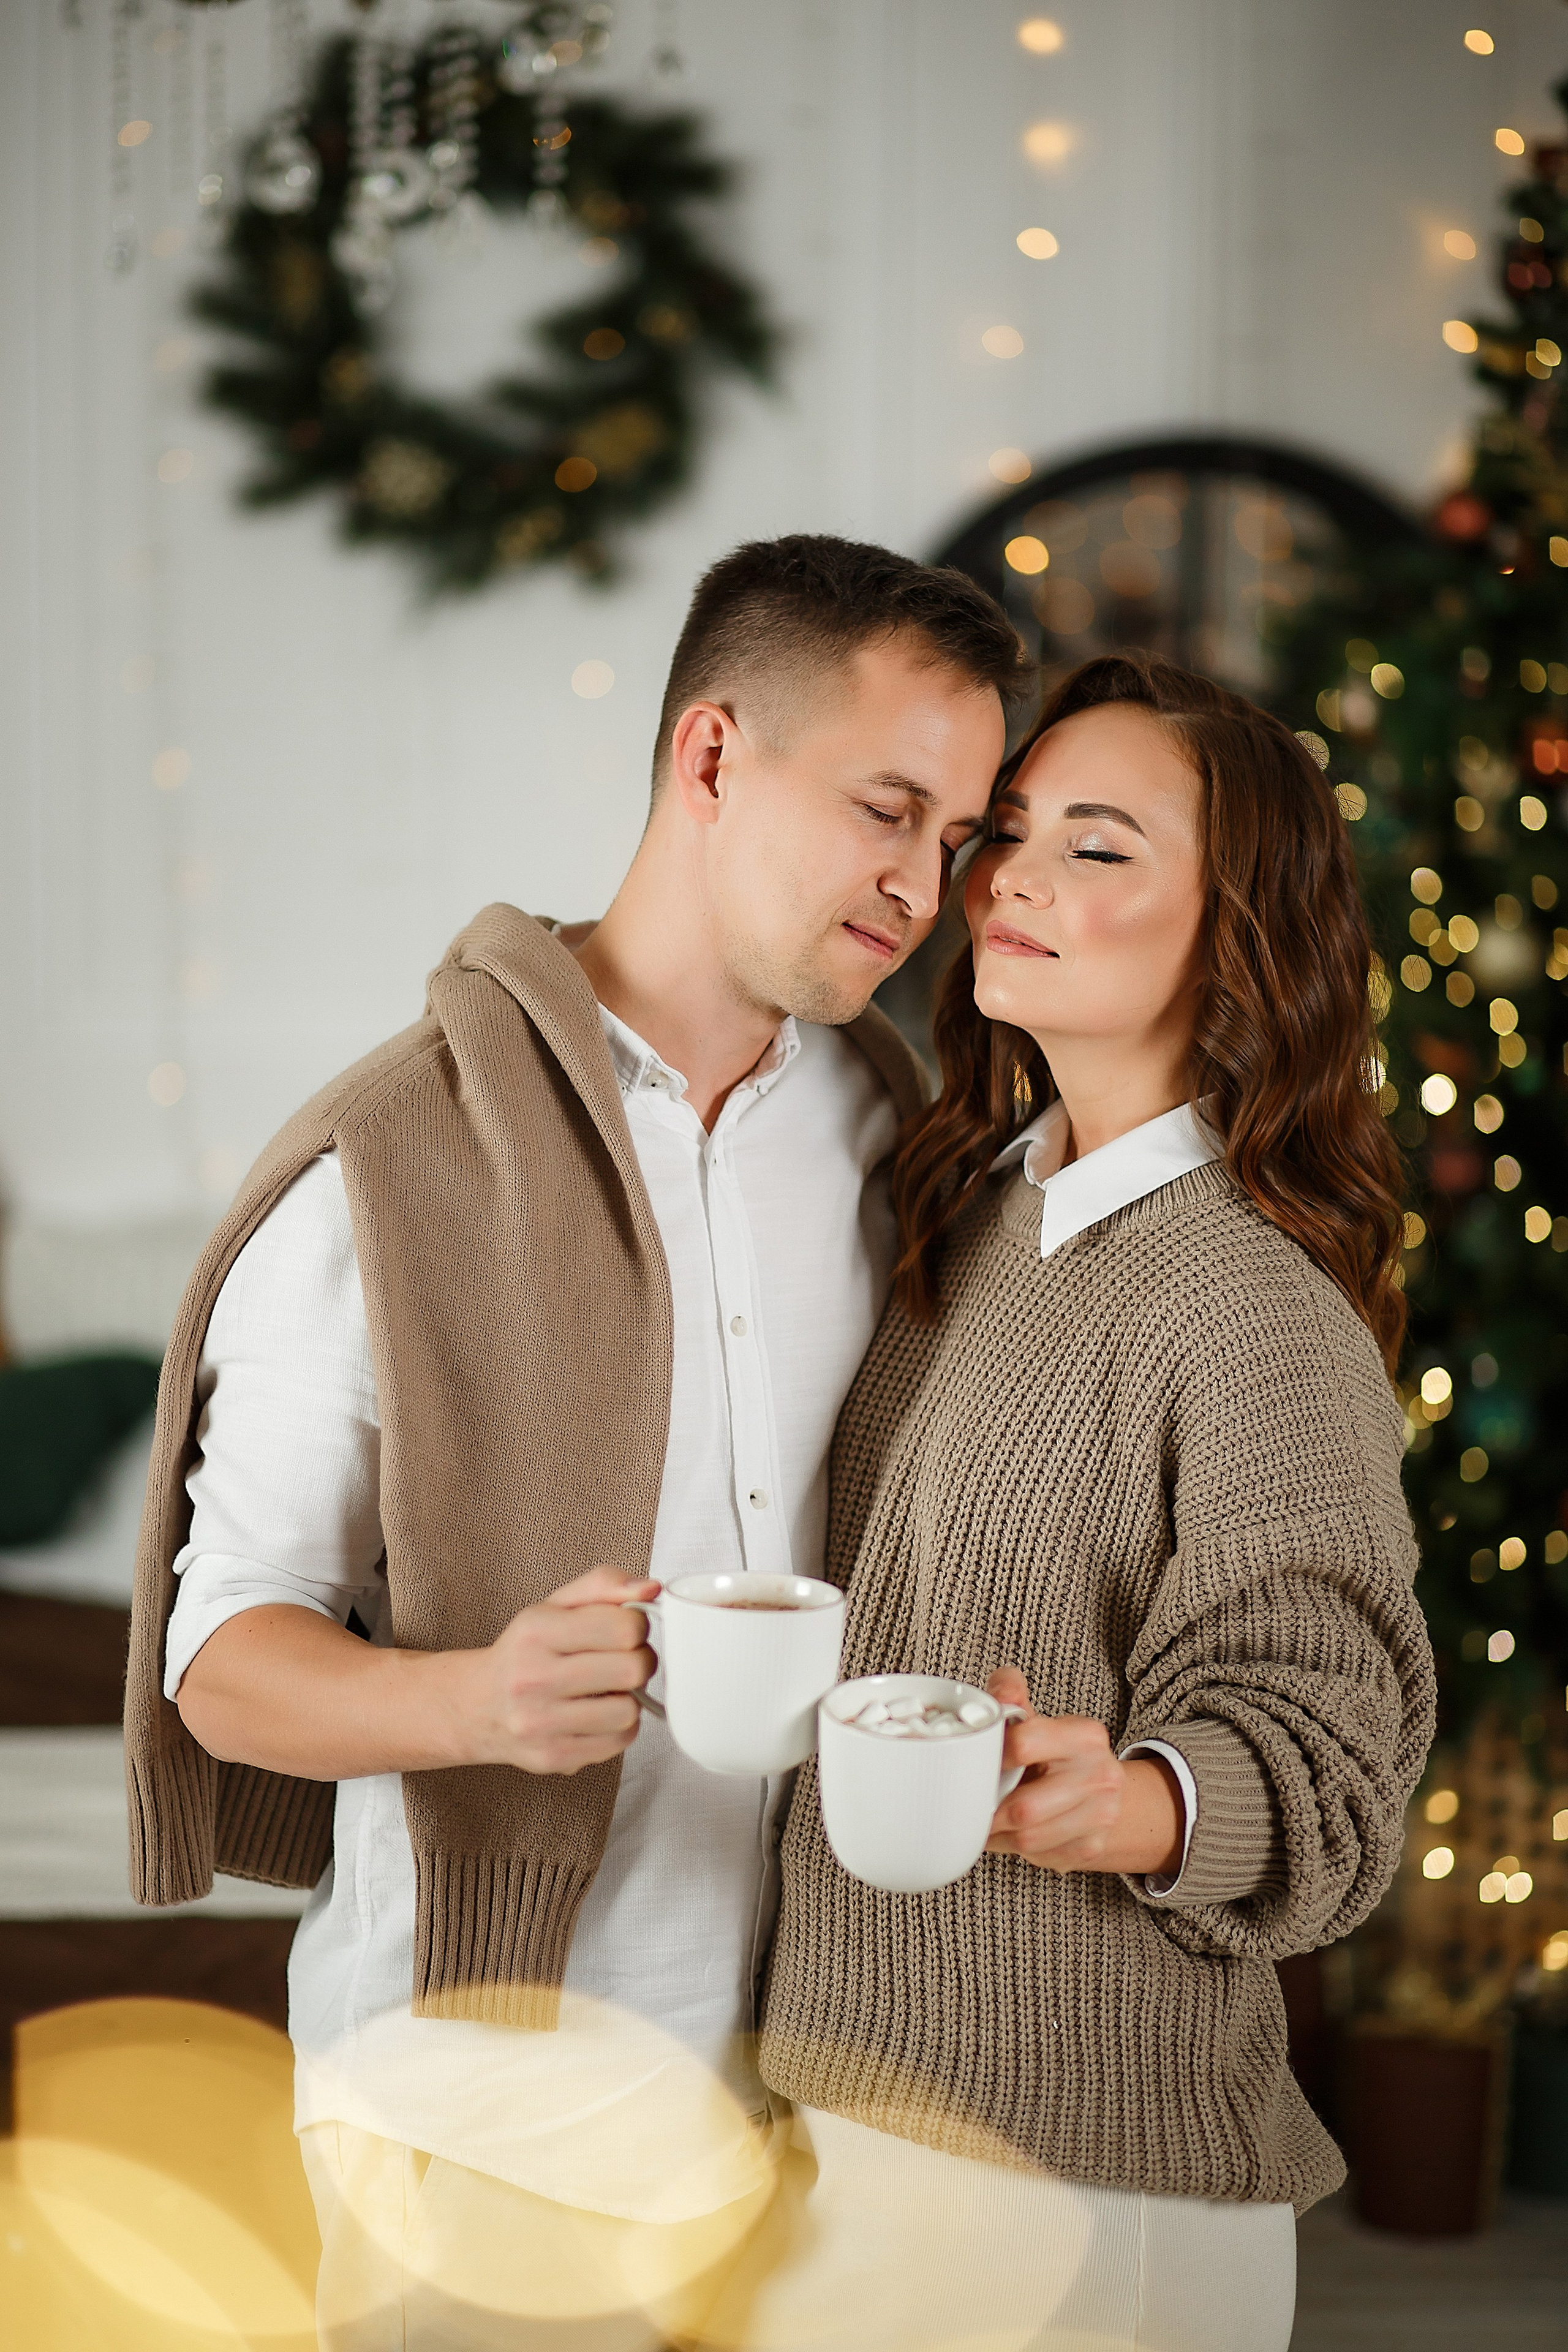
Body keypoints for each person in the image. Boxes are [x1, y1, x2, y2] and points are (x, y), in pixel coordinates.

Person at [123, 534, 1028, 2351]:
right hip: (480, 2102)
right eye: (887, 807)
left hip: (840, 2093)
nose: (924, 884)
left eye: (957, 838)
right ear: (711, 758)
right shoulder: (390, 1163)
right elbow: (220, 1657)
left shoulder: (900, 1140)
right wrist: (478, 1703)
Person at [741, 652, 1437, 2352]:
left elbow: (1337, 1758)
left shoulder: (1253, 1304)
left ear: (1241, 931)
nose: (1015, 876)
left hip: (1088, 2182)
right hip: (857, 2111)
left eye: (1102, 845)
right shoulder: (971, 1211)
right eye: (1017, 828)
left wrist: (1130, 1801)